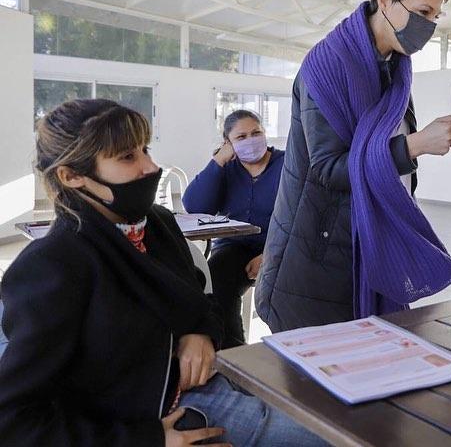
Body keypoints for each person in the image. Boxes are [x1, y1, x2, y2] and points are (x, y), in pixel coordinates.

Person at [0, 99, 325, 447]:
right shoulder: (53, 265)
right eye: (127, 157)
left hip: (214, 379)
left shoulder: (156, 224)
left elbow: (201, 301)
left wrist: (200, 332)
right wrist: (149, 440)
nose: (150, 167)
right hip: (157, 416)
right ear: (72, 176)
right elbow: (14, 421)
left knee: (334, 411)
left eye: (144, 150)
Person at [257, 0, 451, 331]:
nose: (429, 25)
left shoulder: (396, 70)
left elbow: (389, 150)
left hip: (366, 244)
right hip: (318, 257)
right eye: (423, 11)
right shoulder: (327, 67)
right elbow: (328, 169)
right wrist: (416, 145)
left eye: (436, 16)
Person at [183, 109, 285, 348]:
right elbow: (195, 206)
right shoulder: (226, 169)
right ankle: (233, 354)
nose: (251, 140)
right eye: (241, 137)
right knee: (216, 278)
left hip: (283, 245)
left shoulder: (287, 164)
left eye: (256, 132)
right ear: (227, 143)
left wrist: (272, 254)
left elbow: (303, 216)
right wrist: (218, 160)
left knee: (286, 294)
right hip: (235, 247)